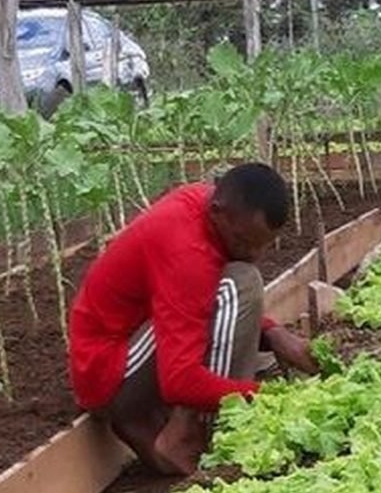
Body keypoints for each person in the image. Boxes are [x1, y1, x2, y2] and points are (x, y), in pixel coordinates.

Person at [68, 163, 319, 475]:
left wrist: (273, 332)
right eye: (244, 242)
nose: (254, 253)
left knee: (239, 279)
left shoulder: (207, 211)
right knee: (241, 282)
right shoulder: (184, 249)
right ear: (217, 210)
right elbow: (180, 381)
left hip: (129, 348)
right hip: (107, 372)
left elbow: (199, 298)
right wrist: (267, 398)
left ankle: (154, 424)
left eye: (263, 244)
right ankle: (191, 436)